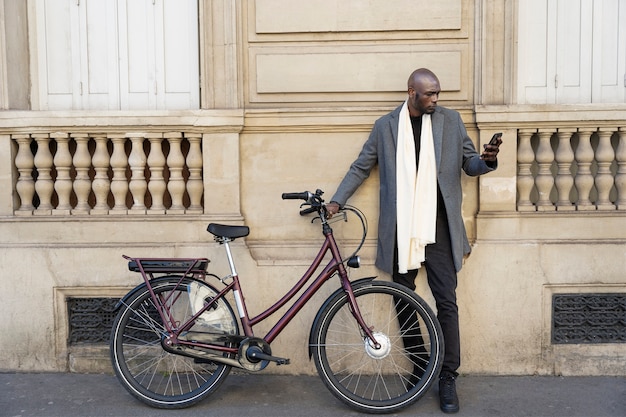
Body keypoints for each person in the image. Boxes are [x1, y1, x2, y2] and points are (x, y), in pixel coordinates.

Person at [326, 68, 501, 414]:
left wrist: (487, 161)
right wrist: (337, 200)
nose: (436, 99)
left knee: (445, 303)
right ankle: (421, 367)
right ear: (412, 92)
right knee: (403, 300)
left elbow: (469, 164)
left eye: (438, 93)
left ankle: (448, 376)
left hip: (438, 227)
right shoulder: (386, 127)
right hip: (401, 228)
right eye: (429, 94)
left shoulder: (451, 122)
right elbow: (361, 167)